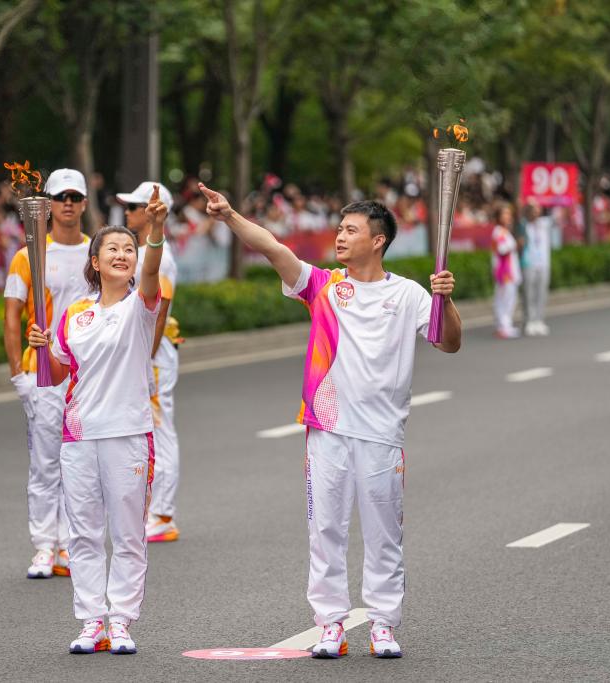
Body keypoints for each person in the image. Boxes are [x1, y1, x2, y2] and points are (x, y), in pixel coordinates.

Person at [197, 182, 461, 660]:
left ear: (377, 240)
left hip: (382, 433)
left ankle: (382, 623)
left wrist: (446, 299)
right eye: (339, 228)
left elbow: (448, 342)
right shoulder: (323, 286)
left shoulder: (408, 295)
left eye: (351, 230)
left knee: (384, 533)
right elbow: (274, 248)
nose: (339, 237)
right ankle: (331, 625)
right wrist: (230, 215)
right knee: (327, 532)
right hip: (328, 429)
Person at [28, 186, 168, 655]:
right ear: (95, 261)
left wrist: (155, 233)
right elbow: (61, 374)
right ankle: (92, 620)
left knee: (127, 535)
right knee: (84, 532)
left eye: (128, 249)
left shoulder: (140, 308)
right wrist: (42, 349)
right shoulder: (75, 314)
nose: (122, 255)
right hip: (79, 434)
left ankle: (122, 620)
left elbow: (151, 273)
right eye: (113, 248)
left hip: (128, 433)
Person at [4, 168, 91, 579]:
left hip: (84, 375)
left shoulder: (98, 254)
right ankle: (44, 545)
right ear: (49, 205)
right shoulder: (28, 254)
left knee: (79, 463)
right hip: (41, 370)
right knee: (44, 463)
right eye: (61, 197)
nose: (68, 203)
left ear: (85, 203)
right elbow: (10, 316)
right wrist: (17, 375)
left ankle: (71, 544)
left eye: (75, 196)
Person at [116, 181, 183, 543]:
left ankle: (163, 513)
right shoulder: (139, 251)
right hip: (145, 352)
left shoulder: (161, 256)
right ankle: (154, 509)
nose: (127, 212)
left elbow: (160, 313)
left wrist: (144, 359)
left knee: (160, 428)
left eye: (134, 206)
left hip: (153, 353)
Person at [517, 199, 551, 336]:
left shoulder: (544, 224)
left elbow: (563, 217)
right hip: (528, 263)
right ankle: (529, 321)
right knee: (528, 294)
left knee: (541, 293)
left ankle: (539, 320)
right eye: (533, 209)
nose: (537, 212)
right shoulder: (523, 226)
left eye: (538, 209)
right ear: (528, 212)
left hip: (543, 263)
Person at [491, 203, 521, 339]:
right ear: (498, 217)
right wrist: (515, 244)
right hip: (505, 272)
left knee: (507, 299)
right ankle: (504, 327)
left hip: (508, 271)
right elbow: (501, 249)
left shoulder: (504, 231)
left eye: (509, 214)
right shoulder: (499, 231)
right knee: (505, 299)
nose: (508, 217)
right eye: (505, 214)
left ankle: (504, 325)